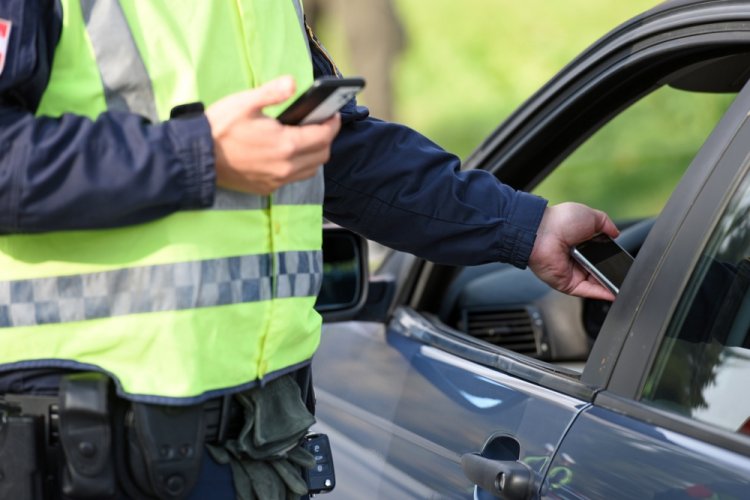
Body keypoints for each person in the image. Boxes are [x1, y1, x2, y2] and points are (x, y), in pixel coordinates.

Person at [0, 1, 618, 499]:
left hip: (257, 444)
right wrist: (199, 156)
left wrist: (524, 227)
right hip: (83, 443)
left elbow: (334, 152)